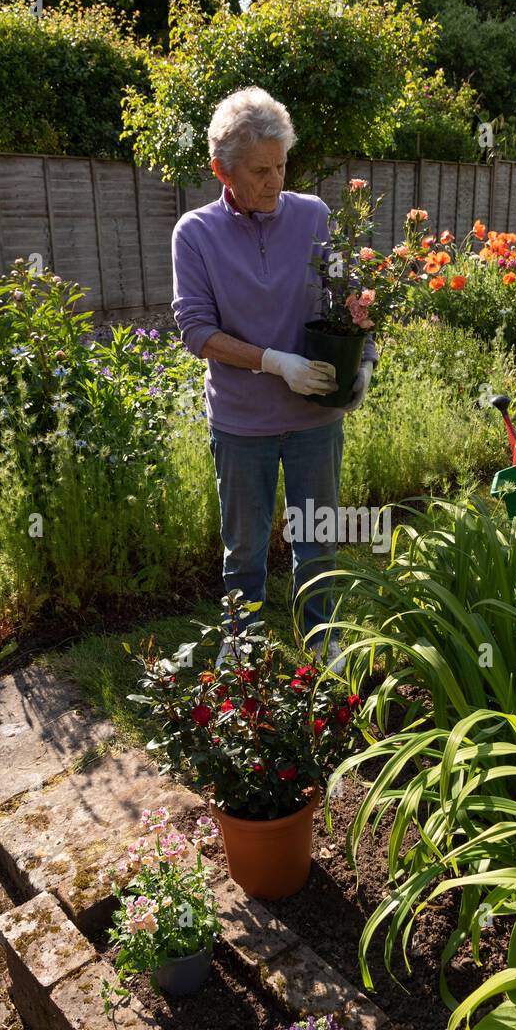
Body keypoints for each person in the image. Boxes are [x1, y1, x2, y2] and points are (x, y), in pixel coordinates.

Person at [171, 86, 376, 669]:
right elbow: (195, 331)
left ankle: (322, 639)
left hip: (315, 419)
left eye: (282, 165)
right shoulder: (196, 234)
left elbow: (347, 300)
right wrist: (272, 361)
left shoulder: (313, 216)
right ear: (222, 171)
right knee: (245, 550)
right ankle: (244, 645)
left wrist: (363, 362)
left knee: (317, 542)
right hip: (243, 424)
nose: (274, 181)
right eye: (260, 170)